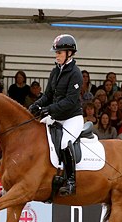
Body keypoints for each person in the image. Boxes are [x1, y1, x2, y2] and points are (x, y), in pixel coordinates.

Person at [29, 34, 83, 196]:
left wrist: (49, 109)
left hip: (72, 118)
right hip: (56, 115)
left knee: (65, 143)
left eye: (59, 53)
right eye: (56, 53)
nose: (56, 55)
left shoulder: (76, 73)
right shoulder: (55, 71)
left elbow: (70, 101)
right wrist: (36, 105)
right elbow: (48, 95)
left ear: (69, 53)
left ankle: (71, 181)